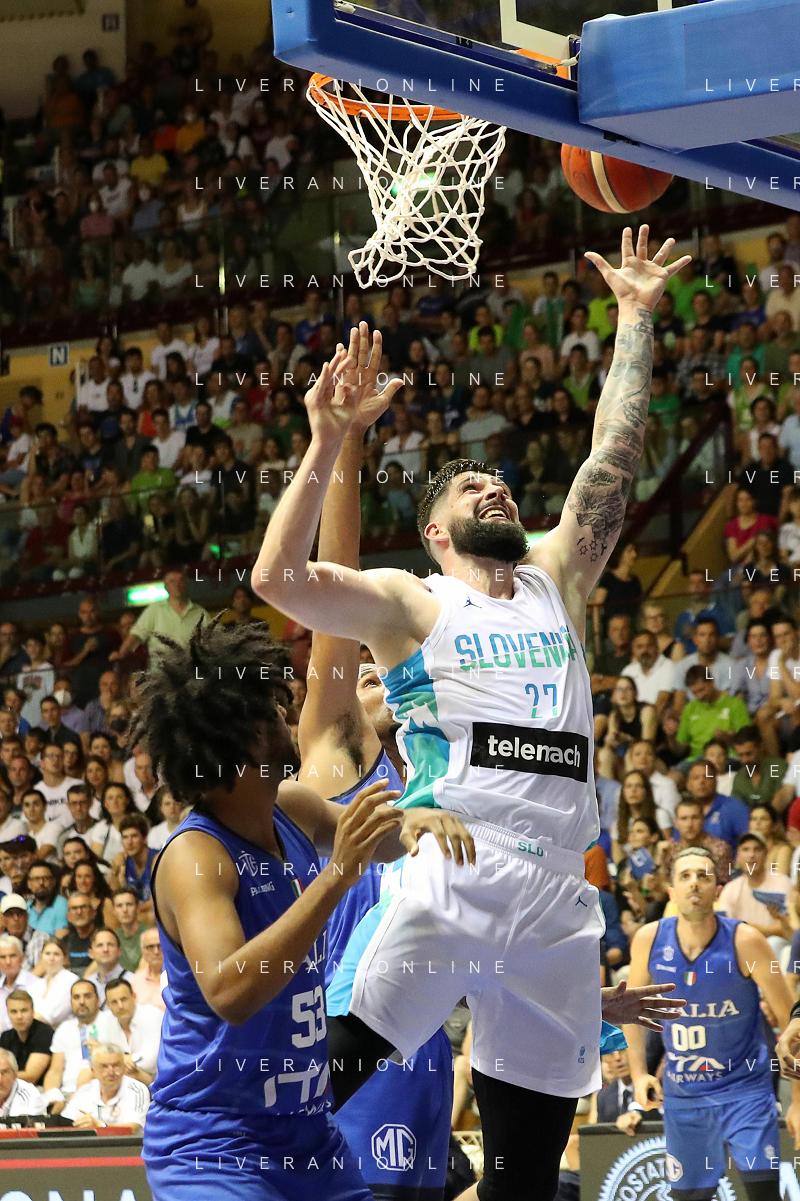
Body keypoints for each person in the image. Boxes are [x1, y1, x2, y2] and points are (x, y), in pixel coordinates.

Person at [252, 229, 690, 1201]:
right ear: (436, 533)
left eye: (499, 481)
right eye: (468, 486)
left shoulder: (555, 578)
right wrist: (326, 440)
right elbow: (277, 579)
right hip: (453, 870)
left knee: (524, 1181)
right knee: (308, 1100)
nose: (494, 485)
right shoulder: (410, 602)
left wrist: (634, 316)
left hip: (558, 899)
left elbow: (612, 459)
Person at [128, 618, 473, 1200]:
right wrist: (337, 875)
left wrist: (424, 818)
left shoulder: (291, 806)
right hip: (215, 1147)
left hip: (308, 1137)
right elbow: (230, 992)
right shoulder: (195, 857)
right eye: (274, 709)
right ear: (246, 736)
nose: (288, 716)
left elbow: (380, 838)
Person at [296, 410, 455, 1200]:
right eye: (358, 672)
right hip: (351, 1024)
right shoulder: (340, 756)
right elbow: (336, 578)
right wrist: (346, 439)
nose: (372, 674)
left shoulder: (438, 773)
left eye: (380, 667)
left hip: (427, 1044)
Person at [626, 846, 800, 1199]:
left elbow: (791, 1019)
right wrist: (639, 1073)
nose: (694, 883)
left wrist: (798, 1100)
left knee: (764, 1195)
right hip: (684, 1098)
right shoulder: (648, 940)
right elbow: (632, 1011)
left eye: (703, 876)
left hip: (746, 1093)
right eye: (685, 876)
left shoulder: (746, 940)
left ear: (718, 890)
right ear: (671, 891)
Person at [42, 979, 118, 1109]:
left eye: (87, 996)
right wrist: (52, 1097)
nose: (81, 1002)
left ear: (98, 1000)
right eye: (76, 997)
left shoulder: (111, 1021)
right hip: (66, 1093)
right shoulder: (64, 1028)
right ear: (71, 1001)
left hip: (98, 1091)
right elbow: (55, 1071)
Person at [109, 570, 208, 664]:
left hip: (191, 668)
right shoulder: (154, 609)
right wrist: (121, 653)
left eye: (181, 580)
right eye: (172, 581)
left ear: (185, 584)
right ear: (166, 587)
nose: (177, 584)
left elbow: (213, 639)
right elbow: (136, 635)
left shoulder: (200, 612)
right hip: (161, 669)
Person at [62, 1042, 150, 1132]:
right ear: (93, 1070)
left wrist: (100, 1126)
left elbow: (132, 1128)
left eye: (116, 1066)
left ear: (124, 1068)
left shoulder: (137, 1090)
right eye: (104, 1066)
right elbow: (66, 1123)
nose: (111, 1072)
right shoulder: (85, 1091)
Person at [103, 977, 162, 1085]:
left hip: (154, 1078)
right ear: (108, 1005)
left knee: (128, 1074)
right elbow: (100, 1057)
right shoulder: (105, 1020)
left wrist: (117, 1060)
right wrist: (123, 1061)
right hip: (120, 1073)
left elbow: (150, 1061)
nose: (120, 1006)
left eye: (124, 999)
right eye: (114, 1002)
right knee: (89, 1073)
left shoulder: (152, 1015)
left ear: (134, 997)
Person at [0, 989, 52, 1084]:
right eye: (14, 1012)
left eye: (24, 1011)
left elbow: (31, 1076)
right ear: (8, 1014)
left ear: (33, 1012)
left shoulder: (44, 1033)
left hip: (39, 1088)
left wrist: (5, 1075)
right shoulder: (5, 1036)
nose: (19, 1017)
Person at [35, 938, 79, 1029]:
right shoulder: (37, 984)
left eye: (56, 954)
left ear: (65, 959)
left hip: (64, 1033)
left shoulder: (70, 980)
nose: (51, 958)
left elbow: (50, 1016)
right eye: (47, 954)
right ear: (41, 958)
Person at [83, 929, 135, 1005]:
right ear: (91, 953)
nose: (105, 949)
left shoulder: (133, 981)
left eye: (110, 945)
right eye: (100, 945)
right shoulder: (88, 984)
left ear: (119, 951)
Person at [0, 1048, 47, 1118]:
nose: (0, 1080)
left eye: (4, 1073)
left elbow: (23, 1124)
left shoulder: (29, 1097)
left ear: (15, 1075)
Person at [131, 927, 165, 1011]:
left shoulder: (179, 977)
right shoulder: (135, 981)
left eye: (160, 945)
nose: (156, 951)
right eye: (150, 947)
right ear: (142, 951)